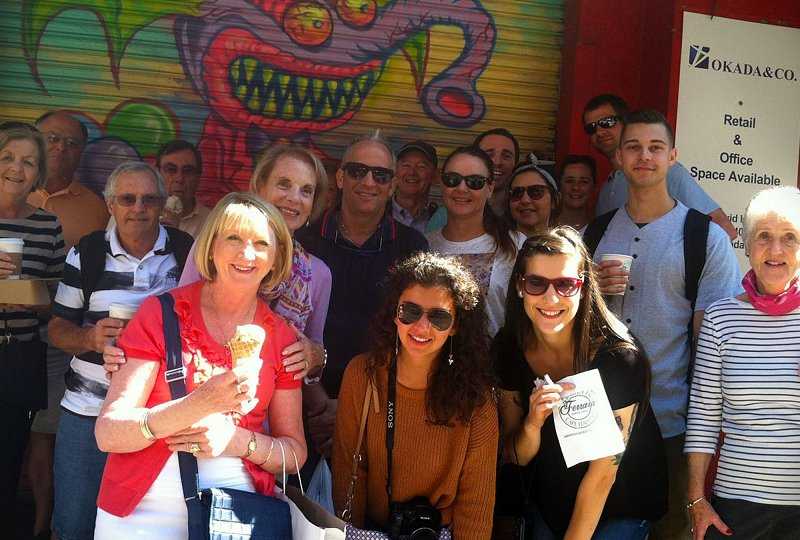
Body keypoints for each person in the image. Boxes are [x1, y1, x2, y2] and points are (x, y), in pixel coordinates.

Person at [93, 192, 306, 537]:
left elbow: (294, 454)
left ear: (276, 257)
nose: (246, 254)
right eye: (233, 238)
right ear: (211, 247)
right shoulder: (161, 314)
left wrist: (235, 440)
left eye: (261, 244)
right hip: (139, 511)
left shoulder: (282, 338)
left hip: (234, 515)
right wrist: (197, 405)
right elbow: (108, 432)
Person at [591, 110, 740, 539]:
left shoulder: (702, 237)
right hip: (598, 420)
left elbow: (712, 339)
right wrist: (589, 291)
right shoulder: (593, 235)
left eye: (655, 147)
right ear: (619, 156)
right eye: (634, 147)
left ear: (672, 156)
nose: (644, 156)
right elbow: (563, 327)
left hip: (672, 422)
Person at [48, 162, 192, 540]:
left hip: (154, 417)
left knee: (137, 528)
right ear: (111, 204)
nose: (138, 208)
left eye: (149, 199)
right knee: (74, 524)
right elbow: (58, 328)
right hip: (87, 411)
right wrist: (90, 340)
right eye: (127, 199)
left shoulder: (185, 252)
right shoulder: (88, 251)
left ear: (163, 204)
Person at [494, 227, 667, 539]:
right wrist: (532, 425)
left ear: (584, 288)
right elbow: (515, 456)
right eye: (536, 283)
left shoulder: (619, 358)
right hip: (549, 501)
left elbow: (602, 476)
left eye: (565, 284)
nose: (551, 297)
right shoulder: (508, 346)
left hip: (619, 503)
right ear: (520, 285)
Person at [331, 252, 498, 539]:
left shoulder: (477, 400)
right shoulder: (362, 374)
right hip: (371, 531)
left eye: (439, 317)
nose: (421, 327)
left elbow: (476, 503)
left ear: (456, 325)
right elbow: (349, 471)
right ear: (394, 314)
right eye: (409, 311)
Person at [296, 131, 429, 457]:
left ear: (392, 184)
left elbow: (416, 338)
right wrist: (317, 400)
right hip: (304, 404)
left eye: (380, 174)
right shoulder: (303, 239)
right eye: (357, 171)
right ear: (340, 177)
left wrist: (354, 403)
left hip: (382, 402)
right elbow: (285, 326)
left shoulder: (413, 247)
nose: (368, 181)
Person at [685, 186, 800, 540]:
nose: (776, 250)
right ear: (747, 246)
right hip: (736, 508)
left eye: (790, 238)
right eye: (763, 237)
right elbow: (703, 417)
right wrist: (696, 501)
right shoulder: (721, 318)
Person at [25, 110, 110, 540]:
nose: (59, 148)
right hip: (9, 332)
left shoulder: (96, 207)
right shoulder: (10, 190)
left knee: (46, 429)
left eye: (71, 142)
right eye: (52, 138)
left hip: (62, 338)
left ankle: (41, 522)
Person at [0, 123, 65, 534]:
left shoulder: (47, 226)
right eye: (7, 157)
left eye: (28, 162)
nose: (16, 169)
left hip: (19, 354)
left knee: (7, 461)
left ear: (38, 173)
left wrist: (31, 296)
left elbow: (58, 308)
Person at [582, 94, 737, 240]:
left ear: (626, 122)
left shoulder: (668, 171)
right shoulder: (606, 189)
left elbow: (724, 229)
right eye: (592, 128)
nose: (600, 131)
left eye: (607, 122)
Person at [426, 146, 524, 337]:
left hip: (496, 363)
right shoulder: (423, 244)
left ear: (490, 188)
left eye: (475, 182)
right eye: (452, 179)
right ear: (441, 183)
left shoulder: (516, 245)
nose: (462, 188)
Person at [156, 139, 211, 237]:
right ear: (157, 174)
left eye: (188, 171)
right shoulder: (142, 215)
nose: (179, 178)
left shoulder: (211, 223)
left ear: (198, 177)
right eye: (171, 170)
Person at [505, 155, 560, 237]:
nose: (525, 200)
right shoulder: (493, 247)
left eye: (536, 192)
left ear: (554, 200)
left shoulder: (566, 248)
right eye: (517, 193)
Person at [391, 140, 439, 233]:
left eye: (421, 166)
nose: (412, 172)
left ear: (435, 176)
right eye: (406, 165)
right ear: (395, 171)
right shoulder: (377, 212)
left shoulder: (441, 220)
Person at [556, 154, 596, 231]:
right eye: (569, 181)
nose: (576, 187)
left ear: (593, 186)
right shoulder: (545, 228)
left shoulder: (602, 231)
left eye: (584, 182)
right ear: (560, 185)